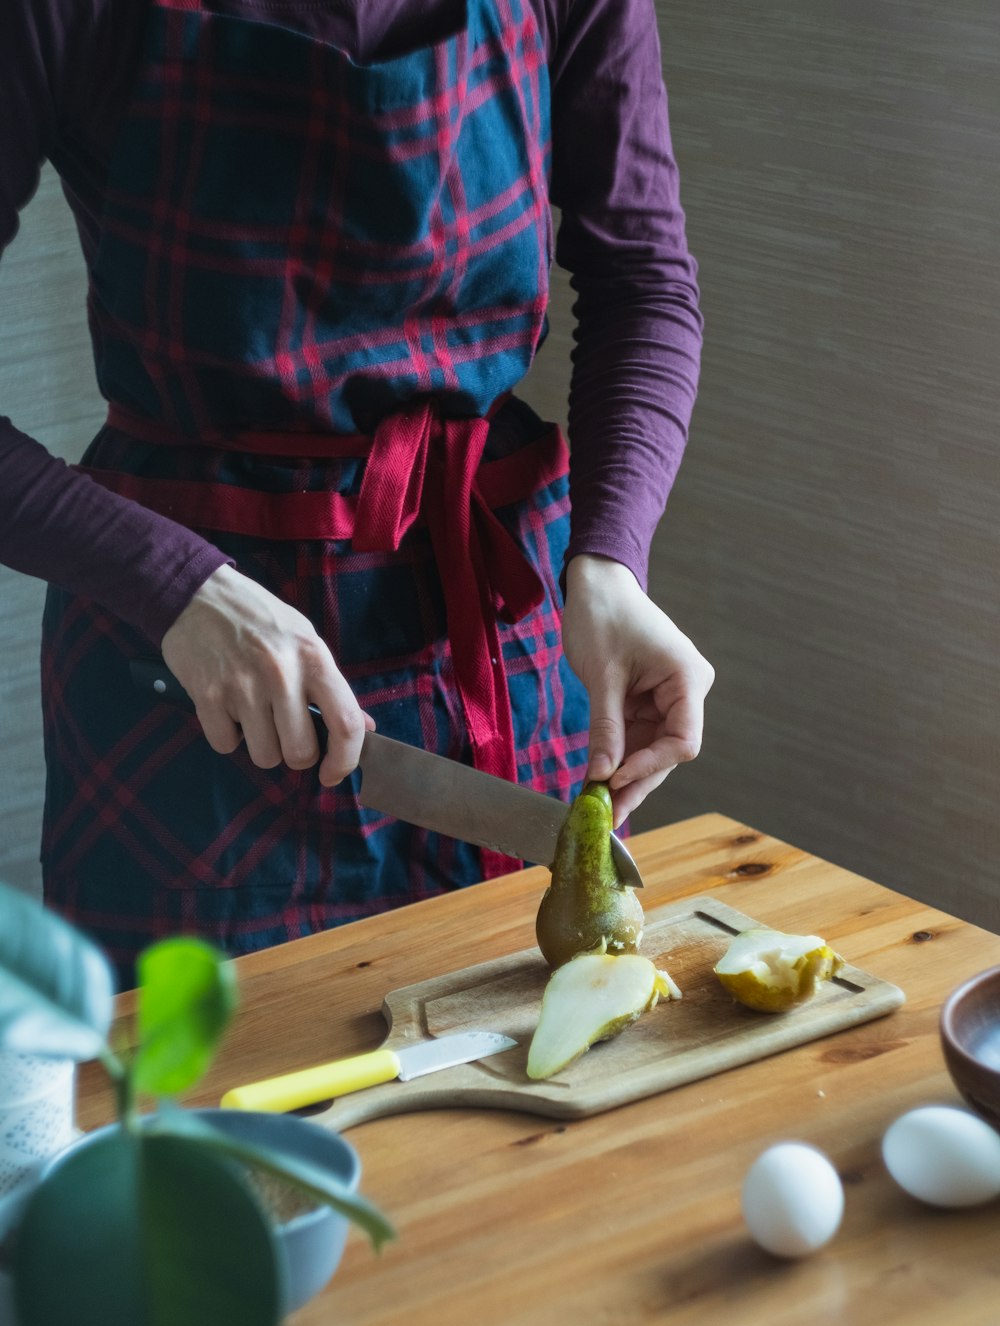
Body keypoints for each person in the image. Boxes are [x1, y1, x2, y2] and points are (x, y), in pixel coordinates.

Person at [0, 0, 713, 987]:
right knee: (215, 1122)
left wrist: (609, 562)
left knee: (524, 1093)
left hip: (500, 647)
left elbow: (643, 277)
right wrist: (168, 582)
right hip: (194, 679)